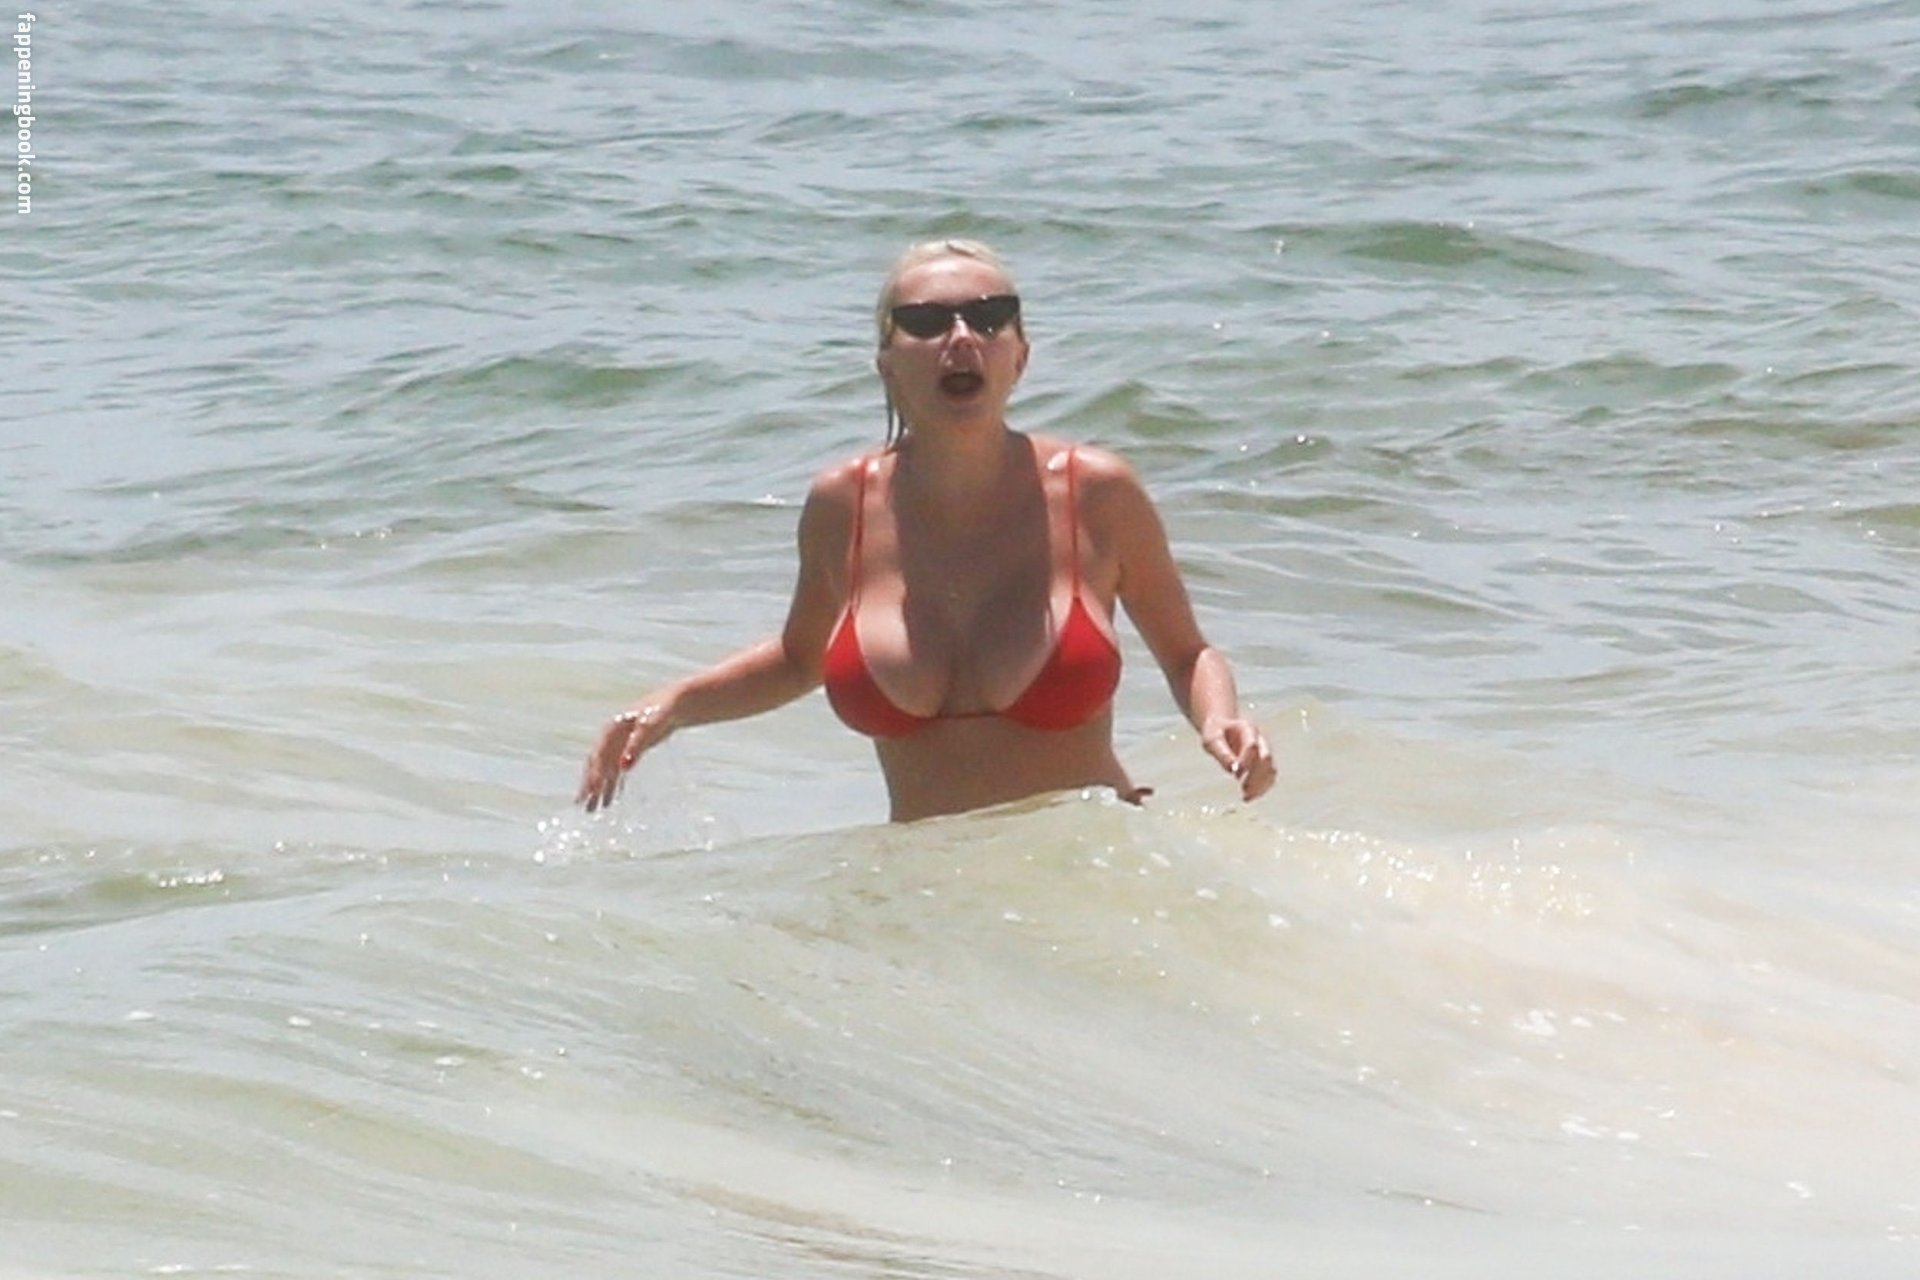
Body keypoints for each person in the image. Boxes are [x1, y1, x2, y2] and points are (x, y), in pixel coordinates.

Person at [578, 239, 1275, 823]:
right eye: (927, 322)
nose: (962, 337)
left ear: (1020, 356)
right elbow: (799, 659)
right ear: (887, 362)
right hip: (922, 889)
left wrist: (1219, 720)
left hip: (1086, 871)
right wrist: (673, 706)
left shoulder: (1095, 492)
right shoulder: (843, 505)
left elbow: (1186, 654)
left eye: (990, 317)